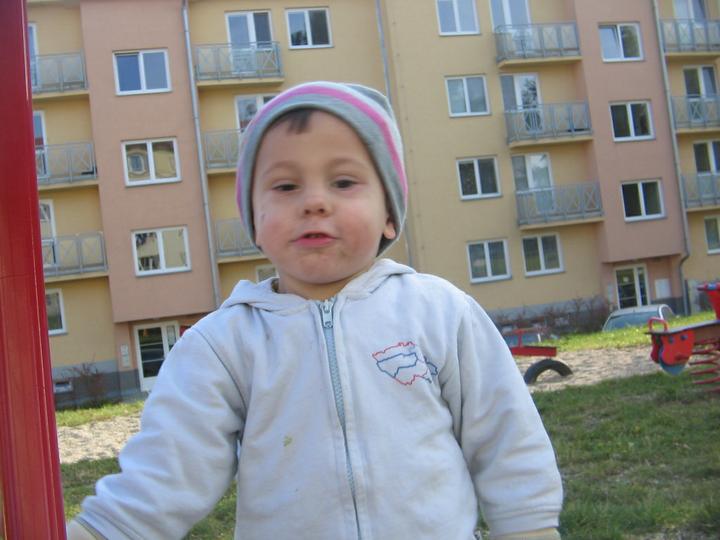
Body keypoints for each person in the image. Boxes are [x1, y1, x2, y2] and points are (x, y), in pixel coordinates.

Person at [67, 81, 563, 540]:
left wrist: (530, 527)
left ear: (389, 215)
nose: (314, 202)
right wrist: (105, 530)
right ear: (254, 220)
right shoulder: (224, 346)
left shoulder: (439, 313)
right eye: (285, 187)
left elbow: (505, 436)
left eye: (344, 182)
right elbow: (168, 468)